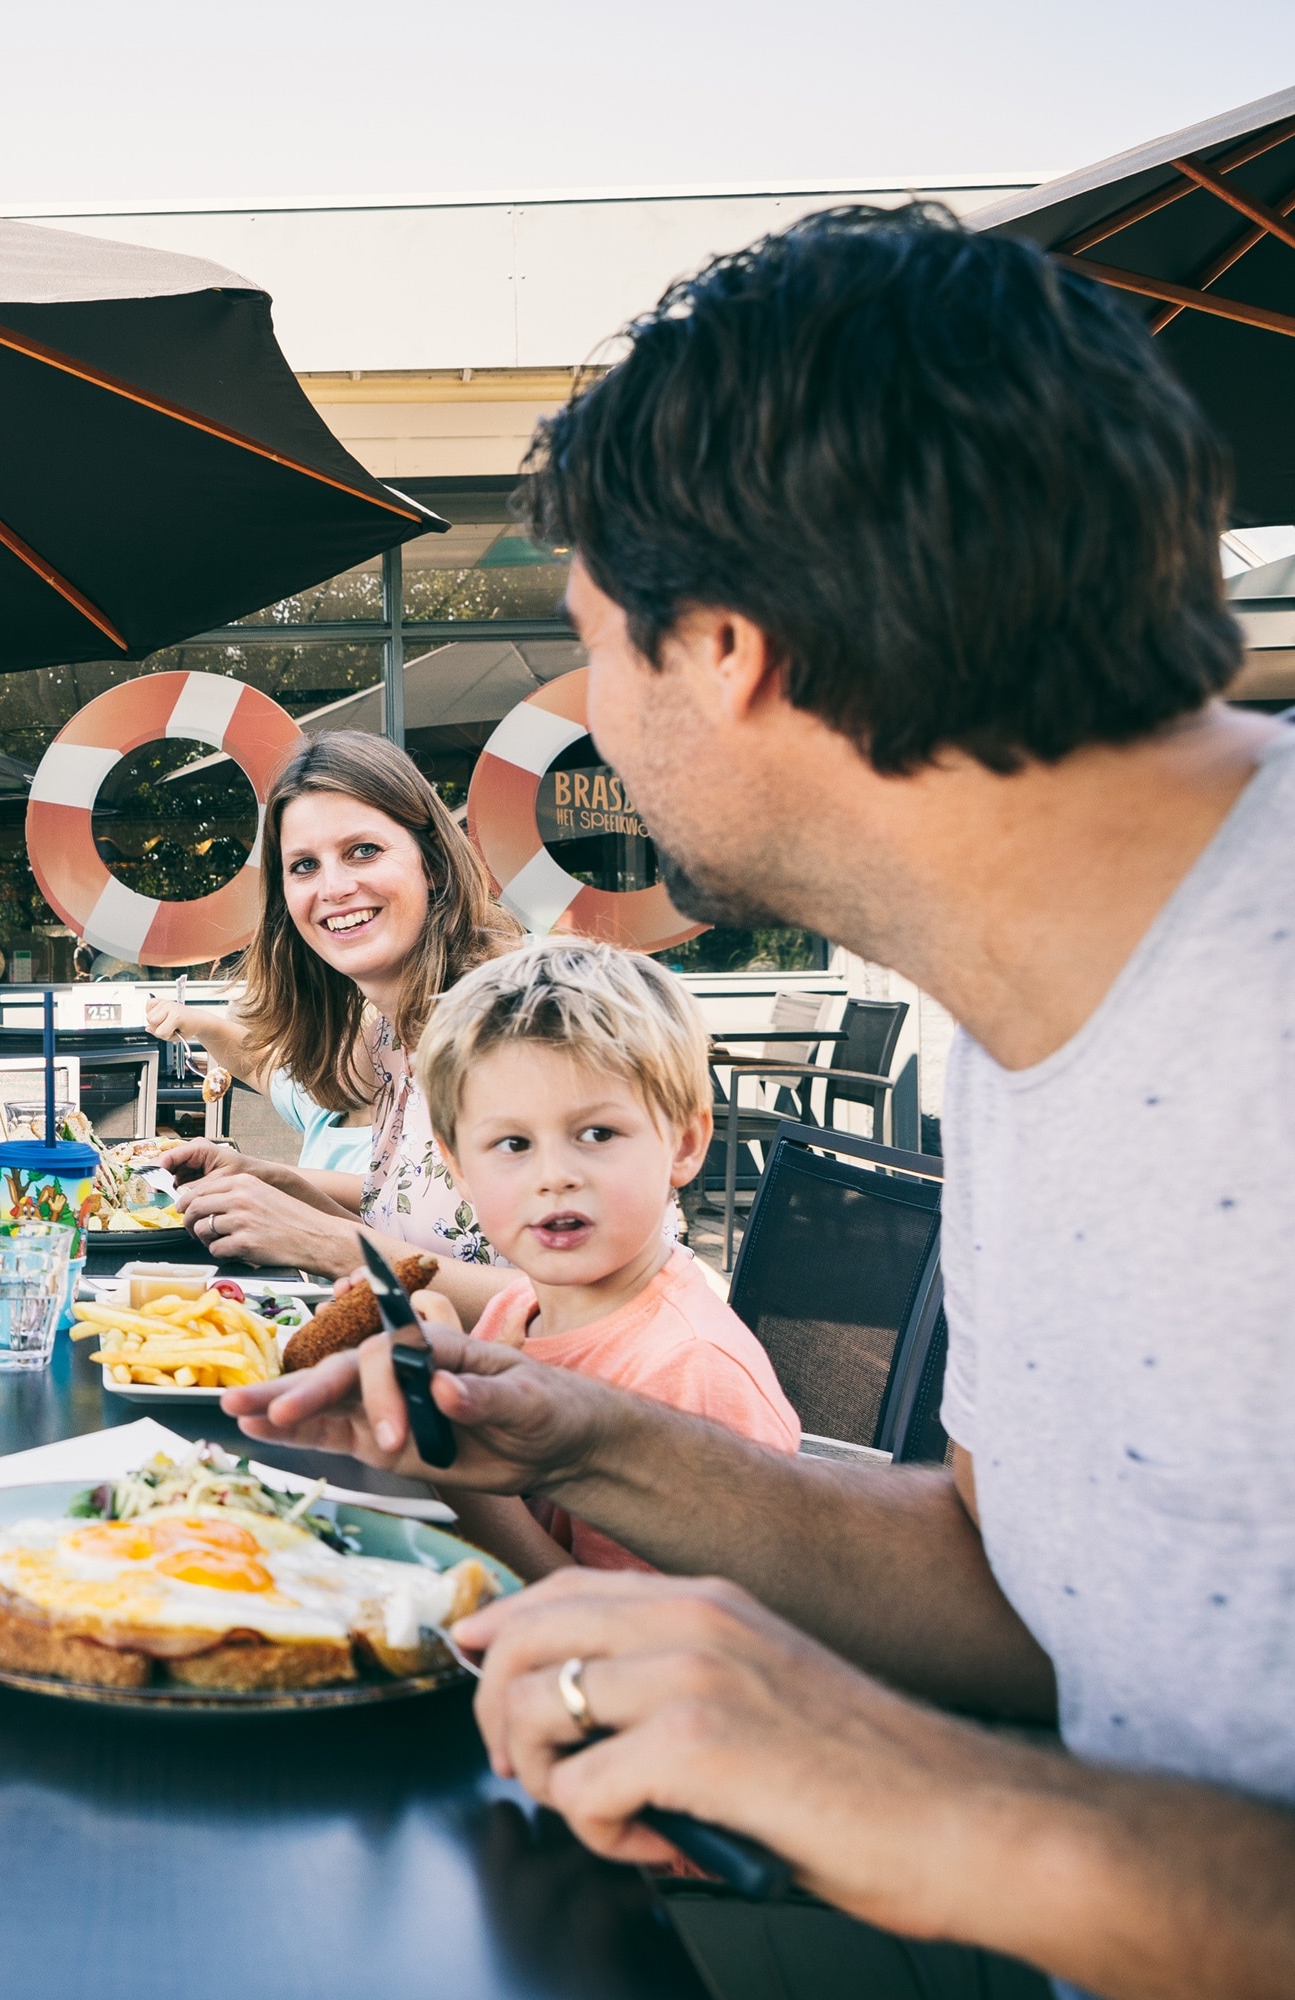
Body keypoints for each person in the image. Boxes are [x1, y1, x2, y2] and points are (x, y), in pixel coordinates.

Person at [227, 205, 1294, 1999]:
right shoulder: (1030, 1011)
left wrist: (914, 1795)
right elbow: (1025, 1587)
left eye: (594, 652)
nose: (600, 733)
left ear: (725, 649)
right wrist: (581, 1437)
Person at [404, 939, 797, 1579]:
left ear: (684, 1144)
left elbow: (625, 1634)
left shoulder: (686, 1374)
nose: (554, 1175)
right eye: (512, 1143)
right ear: (459, 1168)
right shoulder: (519, 1307)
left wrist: (453, 1460)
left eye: (597, 1134)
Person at [146, 733, 525, 1323]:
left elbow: (576, 1307)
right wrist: (282, 1187)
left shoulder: (510, 1028)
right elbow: (425, 1254)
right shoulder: (390, 1038)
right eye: (304, 866)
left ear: (432, 862)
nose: (333, 888)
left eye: (363, 851)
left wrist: (319, 1242)